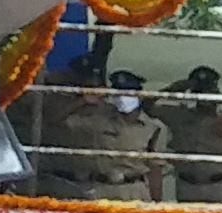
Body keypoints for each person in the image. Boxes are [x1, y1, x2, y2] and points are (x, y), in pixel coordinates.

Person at [40, 55, 166, 196]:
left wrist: (157, 204)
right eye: (117, 93)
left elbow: (155, 170)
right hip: (99, 188)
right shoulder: (98, 119)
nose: (122, 98)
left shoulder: (153, 127)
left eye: (127, 93)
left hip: (133, 189)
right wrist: (82, 101)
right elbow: (55, 122)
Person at [159, 65, 222, 204]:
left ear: (216, 93)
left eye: (209, 92)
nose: (205, 98)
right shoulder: (178, 116)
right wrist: (170, 90)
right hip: (187, 185)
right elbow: (146, 107)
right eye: (200, 93)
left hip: (218, 186)